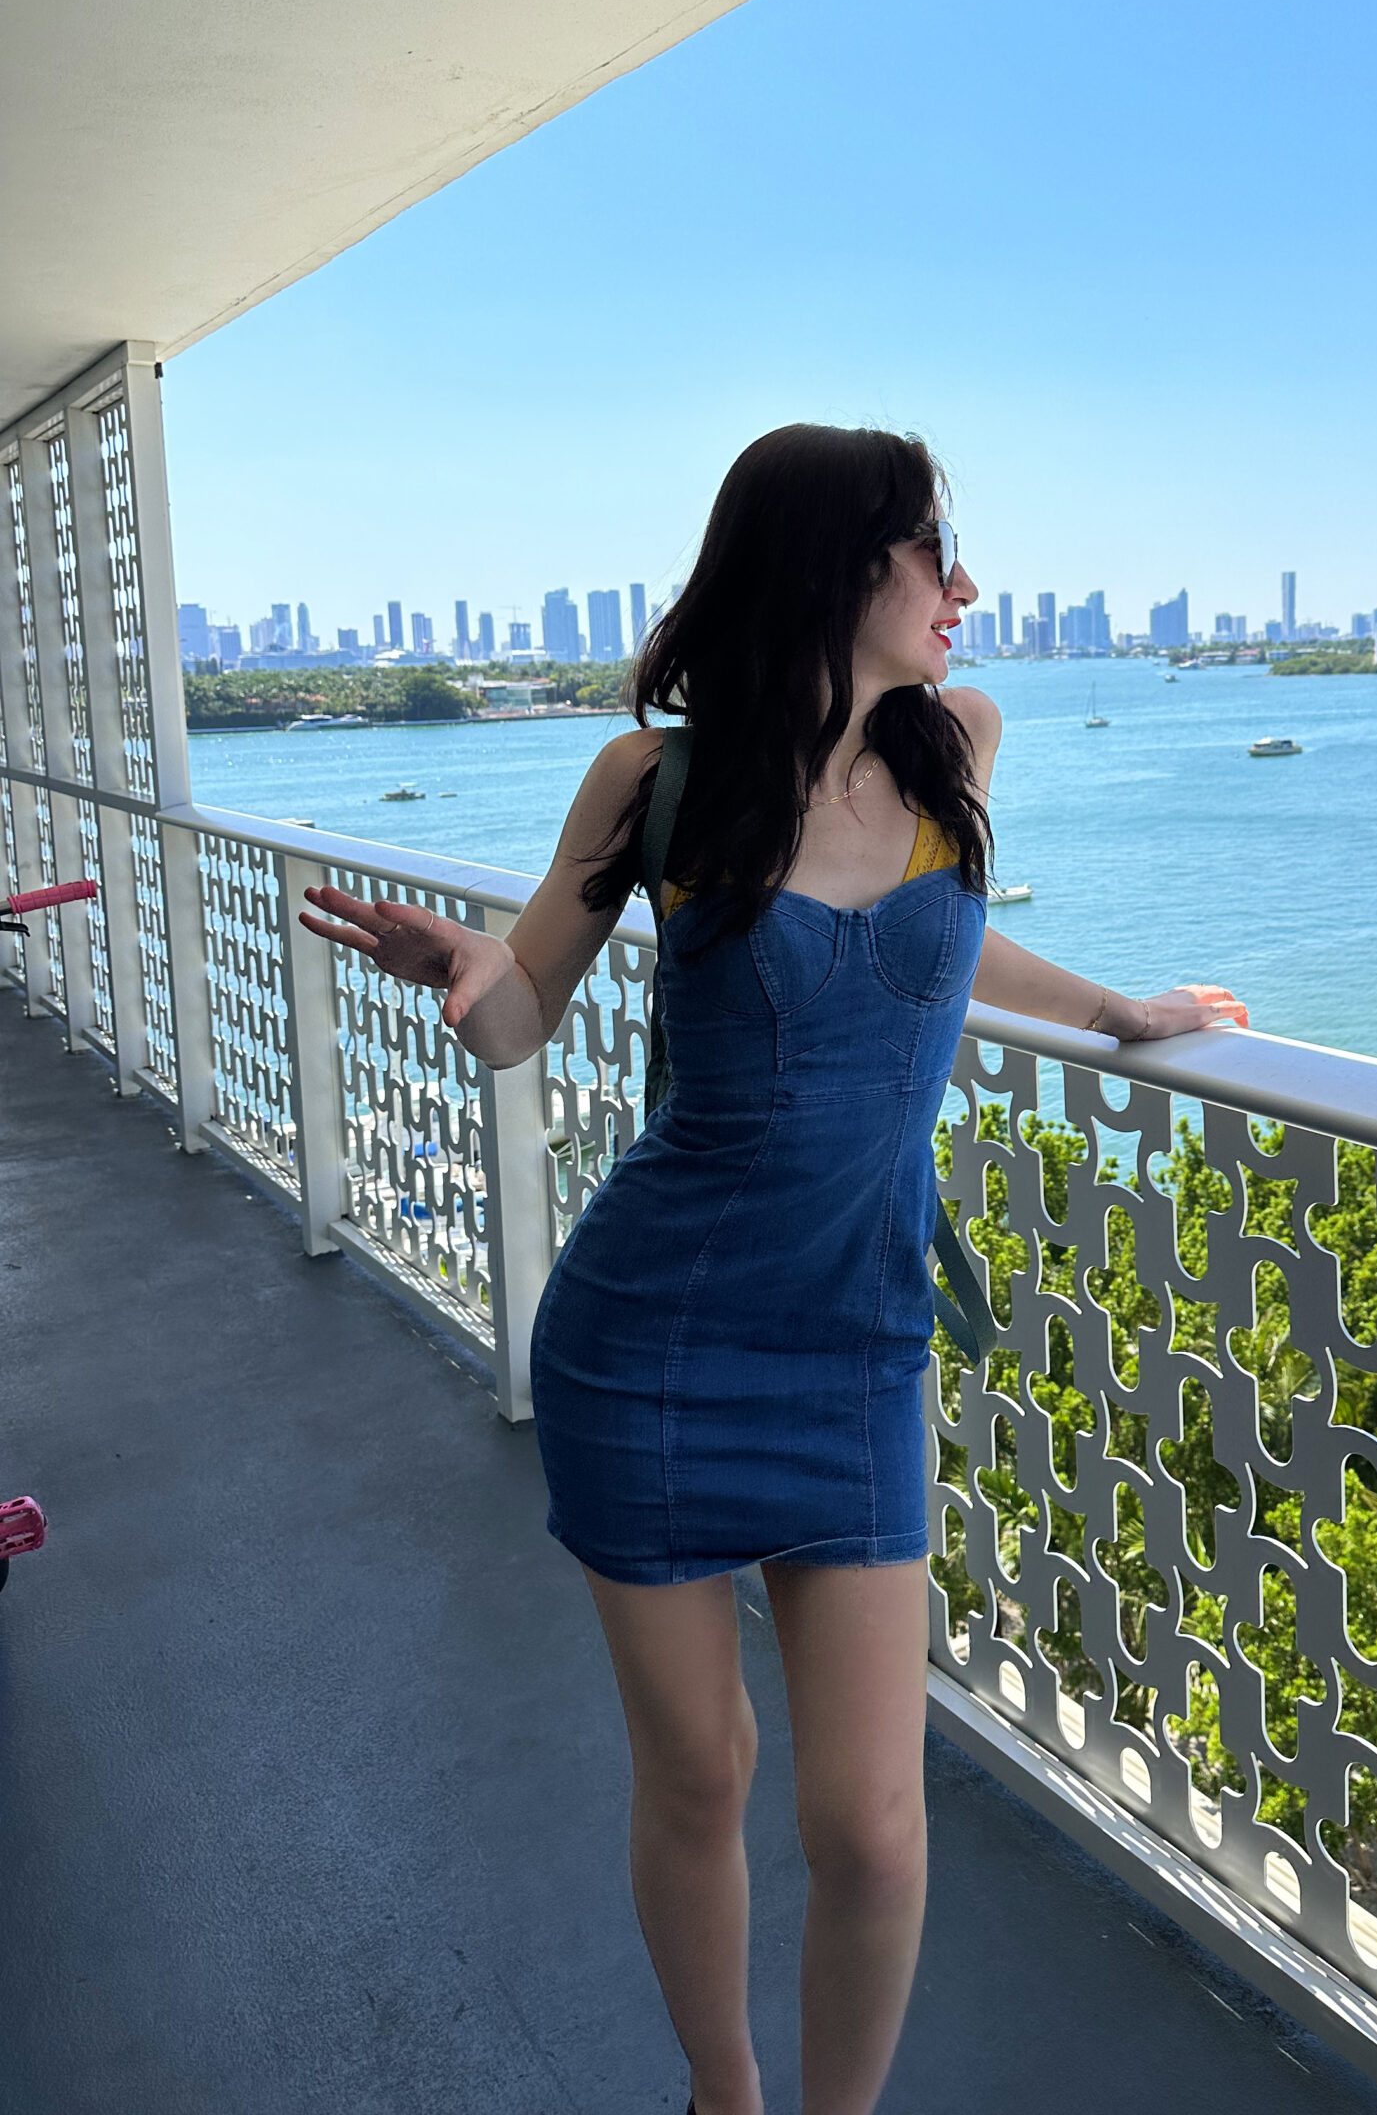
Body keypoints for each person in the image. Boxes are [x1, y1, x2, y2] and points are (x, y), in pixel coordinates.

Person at [300, 425, 1245, 2115]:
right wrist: (466, 974)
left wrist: (1121, 1010)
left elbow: (943, 939)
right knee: (702, 1775)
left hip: (860, 1345)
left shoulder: (960, 743)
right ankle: (724, 2097)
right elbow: (525, 1015)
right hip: (652, 1344)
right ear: (832, 563)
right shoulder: (651, 781)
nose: (966, 587)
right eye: (933, 551)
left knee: (871, 1827)